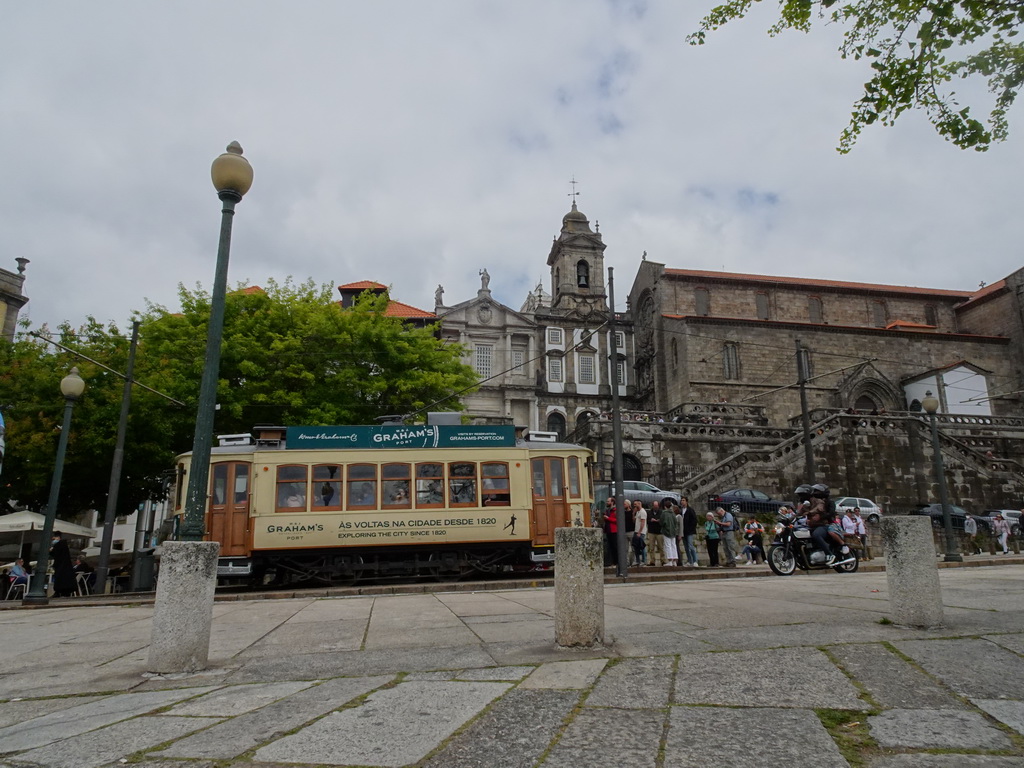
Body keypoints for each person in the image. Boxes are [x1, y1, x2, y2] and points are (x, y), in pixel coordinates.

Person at [49, 531, 76, 598]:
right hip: (64, 566)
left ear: (58, 537)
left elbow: (55, 554)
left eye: (54, 537)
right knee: (63, 579)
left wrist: (51, 550)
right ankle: (65, 592)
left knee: (59, 579)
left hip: (60, 566)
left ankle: (58, 591)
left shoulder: (59, 545)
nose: (53, 539)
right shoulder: (64, 545)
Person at [680, 497, 699, 567]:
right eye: (681, 500)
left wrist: (691, 529)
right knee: (686, 547)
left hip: (689, 531)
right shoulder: (681, 510)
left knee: (691, 546)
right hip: (683, 532)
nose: (682, 502)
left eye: (683, 500)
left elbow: (694, 520)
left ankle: (695, 561)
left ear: (686, 502)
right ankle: (689, 560)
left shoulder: (690, 510)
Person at [660, 499, 679, 566]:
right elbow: (676, 522)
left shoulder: (664, 513)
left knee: (668, 545)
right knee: (673, 545)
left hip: (666, 531)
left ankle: (670, 560)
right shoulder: (673, 513)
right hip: (673, 531)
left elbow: (662, 522)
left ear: (665, 506)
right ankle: (674, 560)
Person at [632, 500, 648, 566]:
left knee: (641, 546)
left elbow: (643, 522)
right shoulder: (638, 512)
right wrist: (633, 513)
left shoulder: (642, 512)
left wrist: (639, 532)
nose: (634, 505)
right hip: (636, 531)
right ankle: (638, 560)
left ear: (639, 504)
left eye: (635, 504)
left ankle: (644, 560)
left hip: (640, 532)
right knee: (636, 546)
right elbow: (634, 520)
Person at [648, 501, 664, 567]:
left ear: (658, 506)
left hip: (659, 532)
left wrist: (658, 520)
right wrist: (651, 520)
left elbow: (662, 520)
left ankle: (663, 560)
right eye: (654, 506)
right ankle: (652, 561)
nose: (655, 507)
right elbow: (647, 520)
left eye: (656, 506)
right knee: (651, 547)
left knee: (661, 547)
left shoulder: (661, 512)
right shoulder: (649, 512)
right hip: (651, 531)